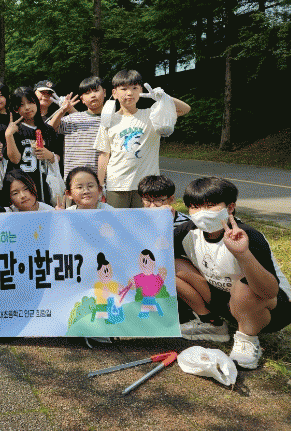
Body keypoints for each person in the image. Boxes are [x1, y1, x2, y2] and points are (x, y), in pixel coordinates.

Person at [175, 177, 291, 369]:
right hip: (227, 300)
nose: (202, 213)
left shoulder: (248, 236)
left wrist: (243, 254)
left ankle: (247, 339)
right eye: (195, 207)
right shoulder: (188, 231)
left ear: (230, 207)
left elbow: (269, 292)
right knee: (172, 264)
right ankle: (212, 323)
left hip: (274, 308)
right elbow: (156, 252)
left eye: (210, 206)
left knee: (242, 286)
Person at [94, 69, 191, 208]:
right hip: (117, 184)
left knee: (144, 220)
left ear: (141, 90)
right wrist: (99, 183)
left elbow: (185, 109)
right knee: (117, 220)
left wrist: (164, 98)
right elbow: (104, 154)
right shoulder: (108, 121)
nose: (129, 93)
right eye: (124, 89)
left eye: (135, 88)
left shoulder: (152, 115)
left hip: (147, 185)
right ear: (114, 93)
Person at [5, 87, 62, 206]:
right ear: (16, 109)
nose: (27, 107)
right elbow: (15, 159)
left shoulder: (48, 130)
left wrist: (50, 155)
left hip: (45, 187)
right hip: (22, 188)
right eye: (21, 105)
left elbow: (58, 156)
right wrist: (8, 135)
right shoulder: (14, 130)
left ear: (36, 103)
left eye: (30, 102)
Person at [57, 76, 106, 178]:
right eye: (87, 93)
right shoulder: (72, 119)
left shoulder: (114, 120)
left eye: (96, 91)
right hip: (73, 179)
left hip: (101, 180)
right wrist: (62, 111)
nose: (93, 95)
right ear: (82, 99)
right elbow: (48, 130)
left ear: (104, 92)